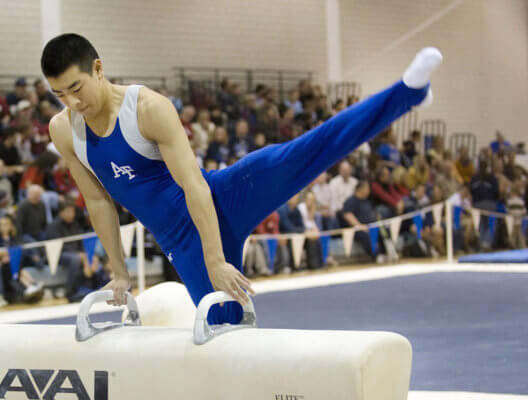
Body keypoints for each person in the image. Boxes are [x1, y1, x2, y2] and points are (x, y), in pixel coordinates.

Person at [42, 33, 441, 323]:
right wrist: (118, 271)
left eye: (76, 87)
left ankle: (408, 92)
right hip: (183, 243)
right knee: (225, 334)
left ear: (98, 68)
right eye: (61, 95)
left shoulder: (147, 108)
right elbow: (97, 201)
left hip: (223, 197)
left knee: (310, 149)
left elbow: (193, 185)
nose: (74, 102)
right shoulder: (64, 131)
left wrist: (216, 259)